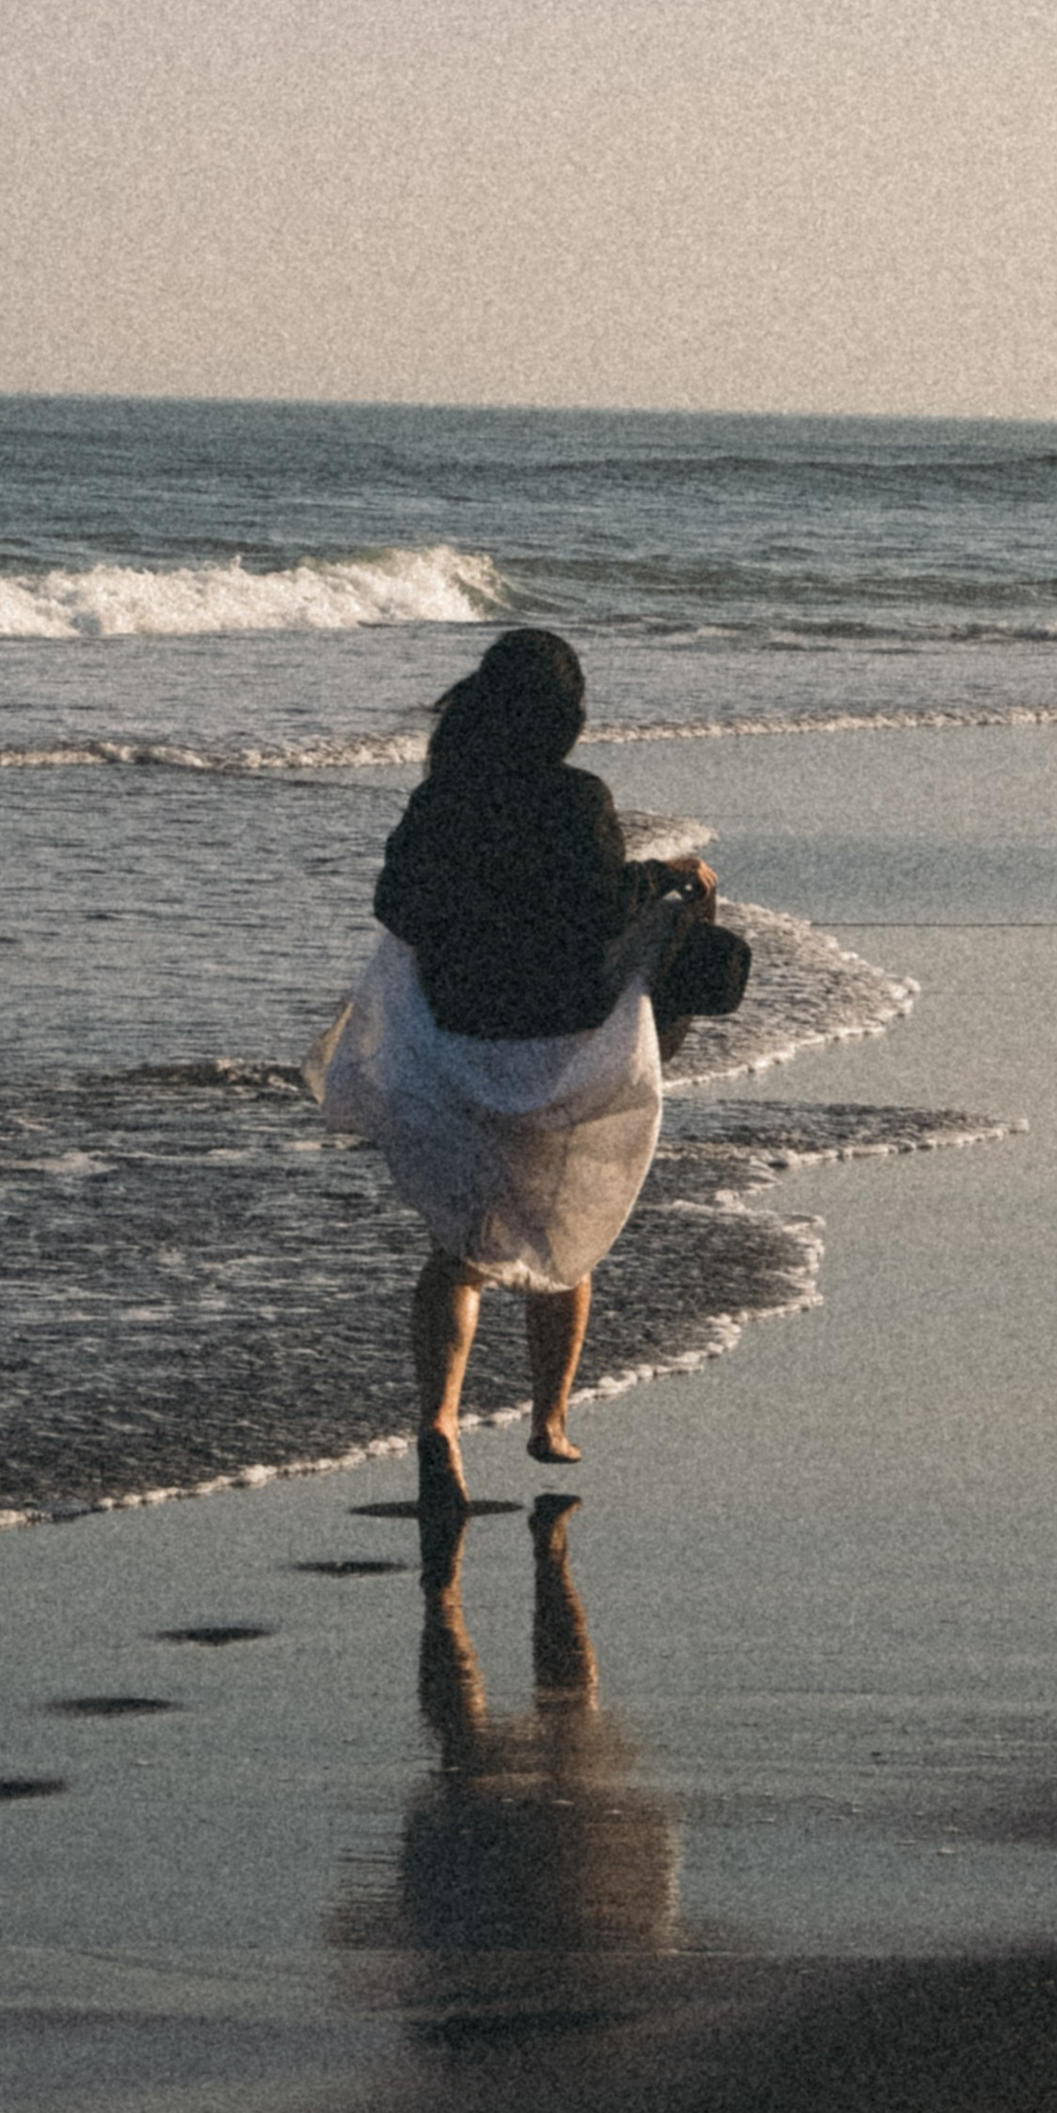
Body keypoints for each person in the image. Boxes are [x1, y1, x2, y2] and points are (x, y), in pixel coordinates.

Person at [304, 626, 742, 1527]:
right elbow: (593, 907)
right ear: (567, 719)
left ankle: (437, 1425)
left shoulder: (443, 798)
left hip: (457, 1036)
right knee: (570, 1228)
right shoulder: (579, 797)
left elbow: (396, 906)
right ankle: (548, 1419)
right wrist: (664, 876)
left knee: (459, 1253)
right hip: (561, 1044)